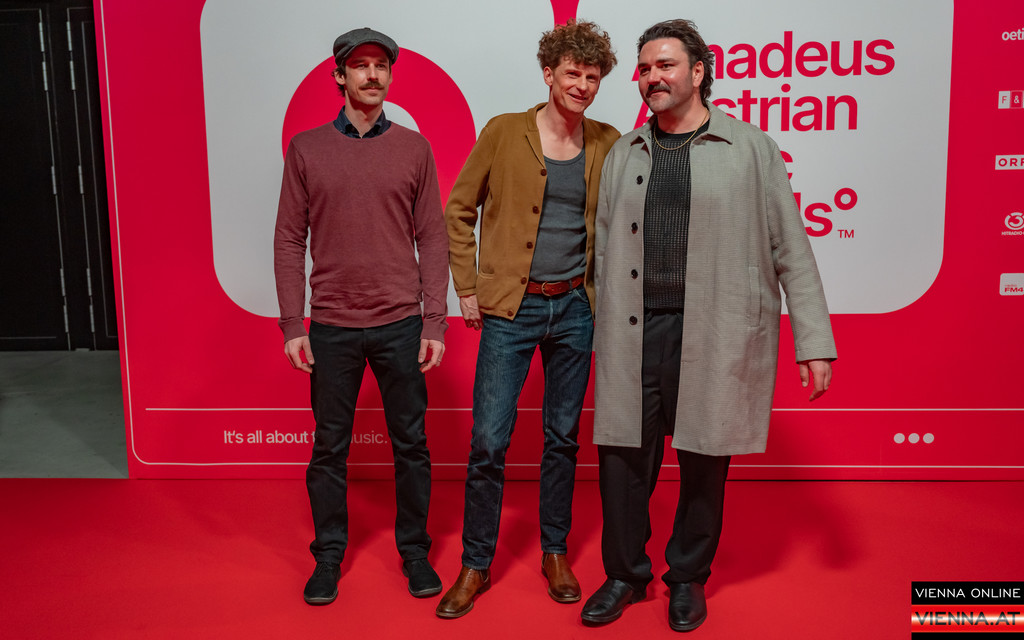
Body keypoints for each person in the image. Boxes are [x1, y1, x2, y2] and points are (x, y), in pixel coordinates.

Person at [581, 19, 837, 632]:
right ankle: (624, 575)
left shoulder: (750, 147)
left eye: (665, 65)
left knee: (704, 459)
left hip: (714, 331)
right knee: (622, 461)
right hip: (633, 332)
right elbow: (603, 248)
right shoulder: (625, 152)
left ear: (698, 72)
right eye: (645, 69)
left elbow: (790, 246)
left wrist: (814, 341)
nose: (652, 78)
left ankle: (687, 578)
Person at [435, 20, 620, 619]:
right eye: (572, 73)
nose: (582, 85)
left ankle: (555, 552)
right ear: (548, 74)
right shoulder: (503, 131)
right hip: (512, 309)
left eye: (592, 77)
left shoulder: (608, 141)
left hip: (576, 309)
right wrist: (467, 287)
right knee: (489, 441)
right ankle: (475, 562)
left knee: (562, 438)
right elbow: (458, 211)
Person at [273, 27, 448, 606]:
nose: (372, 75)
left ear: (390, 76)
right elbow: (289, 238)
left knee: (411, 444)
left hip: (401, 323)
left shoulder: (415, 149)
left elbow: (433, 236)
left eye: (381, 66)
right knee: (329, 447)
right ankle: (327, 556)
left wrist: (434, 320)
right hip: (332, 326)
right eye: (360, 66)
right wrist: (293, 324)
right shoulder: (306, 148)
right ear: (340, 76)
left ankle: (415, 552)